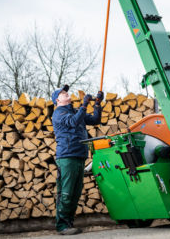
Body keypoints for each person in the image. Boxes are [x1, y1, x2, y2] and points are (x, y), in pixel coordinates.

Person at [51, 84, 104, 235]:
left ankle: (69, 223)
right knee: (66, 192)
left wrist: (97, 104)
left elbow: (95, 119)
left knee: (75, 192)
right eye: (62, 93)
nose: (66, 93)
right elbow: (73, 121)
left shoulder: (75, 111)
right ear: (57, 100)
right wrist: (84, 104)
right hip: (67, 156)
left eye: (66, 92)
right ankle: (62, 226)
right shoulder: (59, 114)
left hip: (79, 155)